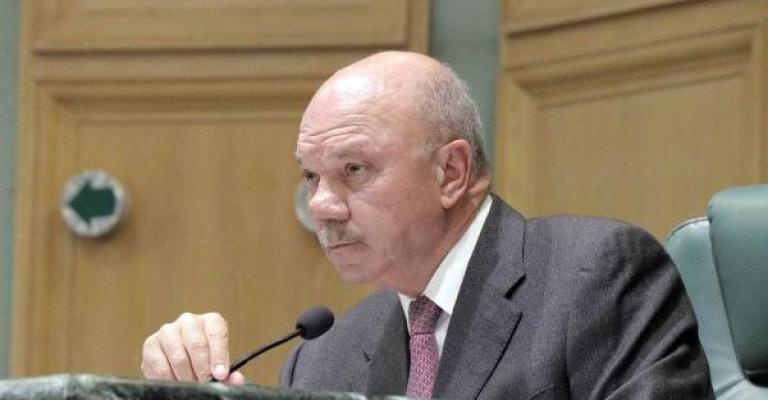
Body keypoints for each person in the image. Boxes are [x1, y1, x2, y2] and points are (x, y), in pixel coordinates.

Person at [141, 51, 714, 399]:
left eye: (354, 170)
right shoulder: (322, 358)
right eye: (311, 177)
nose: (322, 206)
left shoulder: (596, 278)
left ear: (451, 172)